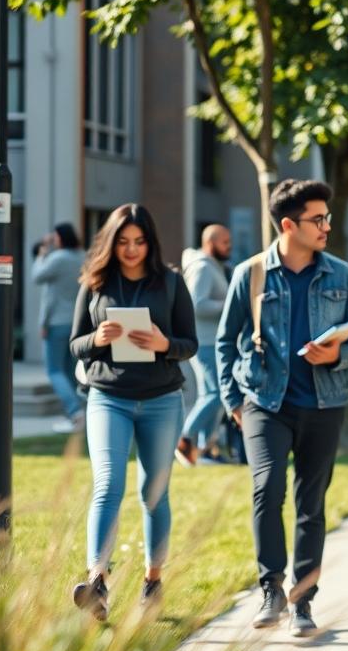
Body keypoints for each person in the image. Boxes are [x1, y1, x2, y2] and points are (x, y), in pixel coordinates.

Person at [216, 179, 348, 637]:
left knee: (311, 503)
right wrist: (233, 401)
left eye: (328, 217)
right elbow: (225, 341)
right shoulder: (251, 274)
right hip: (265, 401)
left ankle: (303, 602)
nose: (327, 226)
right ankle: (272, 589)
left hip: (325, 404)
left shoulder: (341, 275)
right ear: (288, 224)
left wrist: (337, 355)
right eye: (317, 219)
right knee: (267, 488)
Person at [67, 204, 197, 621]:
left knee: (152, 494)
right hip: (108, 397)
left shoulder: (171, 283)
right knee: (107, 483)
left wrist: (164, 345)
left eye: (139, 242)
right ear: (111, 242)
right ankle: (97, 581)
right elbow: (74, 344)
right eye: (123, 242)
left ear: (150, 243)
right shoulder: (95, 282)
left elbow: (189, 343)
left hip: (161, 399)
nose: (131, 250)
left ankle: (152, 581)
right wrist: (97, 338)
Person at [176, 224, 232, 466]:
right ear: (210, 242)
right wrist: (230, 304)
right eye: (225, 243)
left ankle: (206, 449)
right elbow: (196, 304)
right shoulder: (202, 268)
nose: (229, 247)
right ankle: (185, 439)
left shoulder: (214, 267)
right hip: (204, 342)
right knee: (216, 393)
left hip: (213, 341)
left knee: (214, 394)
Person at [32, 222, 86, 433]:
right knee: (70, 371)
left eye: (54, 238)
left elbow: (37, 277)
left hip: (56, 322)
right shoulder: (82, 256)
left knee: (54, 370)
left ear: (60, 239)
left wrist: (41, 253)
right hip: (75, 322)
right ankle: (77, 415)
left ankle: (75, 412)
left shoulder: (57, 258)